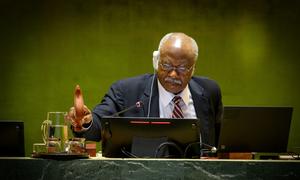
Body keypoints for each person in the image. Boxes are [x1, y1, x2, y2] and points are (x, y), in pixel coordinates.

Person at [66, 32, 223, 147]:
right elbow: (98, 127)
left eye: (182, 68)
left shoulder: (209, 91)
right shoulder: (126, 91)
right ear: (156, 62)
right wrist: (84, 121)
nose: (173, 74)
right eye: (166, 65)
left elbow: (221, 143)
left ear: (193, 68)